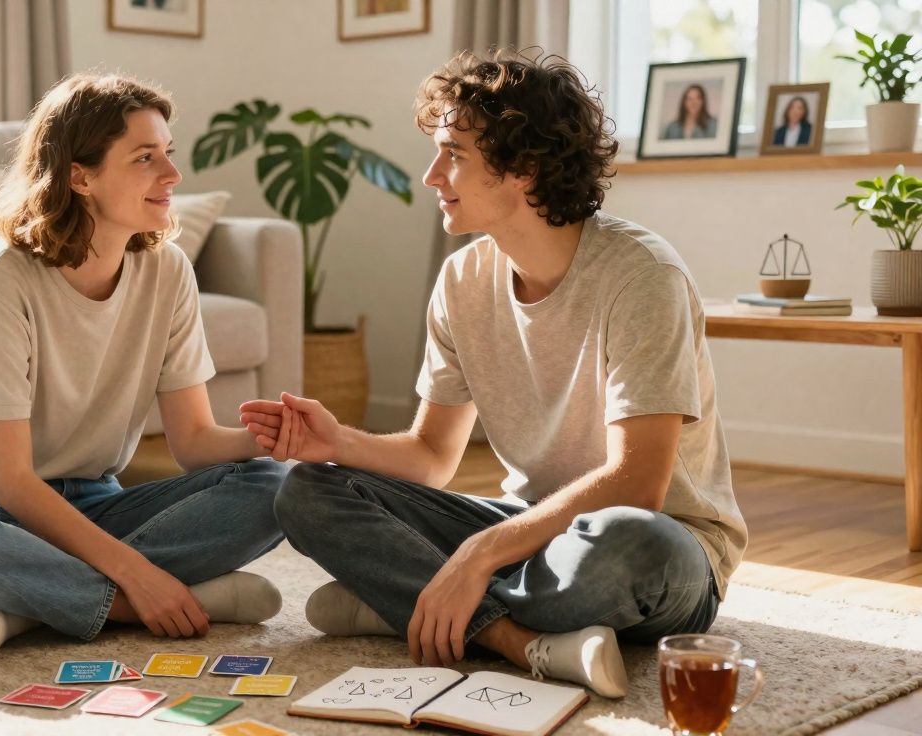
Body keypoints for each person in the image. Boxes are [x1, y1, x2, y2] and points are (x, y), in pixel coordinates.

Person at [241, 49, 747, 699]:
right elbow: (431, 455)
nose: (431, 176)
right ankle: (514, 639)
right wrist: (337, 442)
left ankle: (406, 600)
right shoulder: (462, 280)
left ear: (524, 169)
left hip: (660, 552)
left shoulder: (642, 275)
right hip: (531, 533)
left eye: (453, 153)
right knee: (305, 492)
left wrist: (477, 556)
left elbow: (637, 485)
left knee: (628, 545)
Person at [0, 73, 287, 656]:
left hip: (97, 503)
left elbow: (195, 442)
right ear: (80, 176)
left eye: (168, 154)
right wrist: (136, 575)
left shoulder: (168, 271)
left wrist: (272, 439)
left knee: (273, 487)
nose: (172, 175)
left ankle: (31, 604)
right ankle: (136, 604)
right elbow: (13, 483)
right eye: (145, 158)